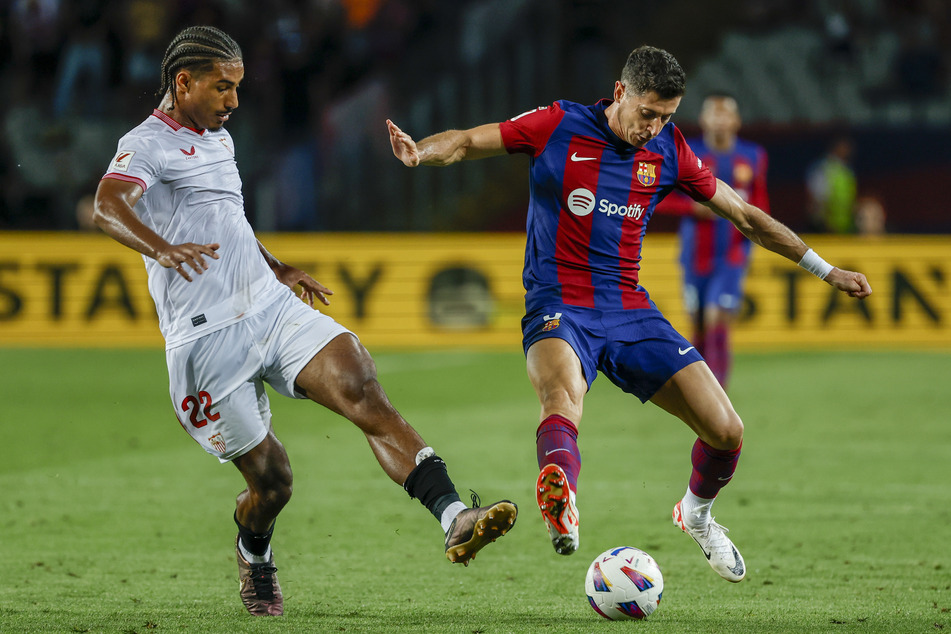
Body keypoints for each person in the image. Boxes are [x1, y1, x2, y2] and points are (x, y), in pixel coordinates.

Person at [387, 45, 871, 584]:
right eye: (648, 113)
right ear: (621, 93)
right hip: (558, 303)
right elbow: (467, 143)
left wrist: (827, 270)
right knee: (561, 394)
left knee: (727, 432)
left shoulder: (670, 150)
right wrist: (421, 153)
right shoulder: (558, 124)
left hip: (629, 308)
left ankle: (696, 514)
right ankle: (562, 498)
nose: (655, 127)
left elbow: (747, 217)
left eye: (667, 116)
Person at [93, 26, 517, 617]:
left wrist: (276, 264)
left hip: (267, 306)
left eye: (238, 87)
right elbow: (107, 205)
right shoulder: (146, 145)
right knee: (274, 482)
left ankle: (454, 516)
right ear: (183, 81)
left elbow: (227, 220)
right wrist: (160, 248)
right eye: (223, 87)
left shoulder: (218, 139)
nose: (234, 101)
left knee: (361, 387)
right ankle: (254, 549)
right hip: (205, 340)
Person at [657, 92, 768, 389]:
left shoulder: (754, 156)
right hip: (695, 255)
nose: (719, 119)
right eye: (713, 113)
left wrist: (757, 239)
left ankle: (720, 395)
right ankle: (702, 396)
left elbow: (760, 204)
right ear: (703, 119)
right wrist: (690, 207)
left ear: (736, 120)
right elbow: (659, 197)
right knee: (698, 327)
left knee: (717, 319)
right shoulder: (685, 153)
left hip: (732, 255)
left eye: (725, 113)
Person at [806, 136, 857, 234]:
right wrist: (823, 219)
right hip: (826, 224)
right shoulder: (824, 168)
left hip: (845, 223)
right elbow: (818, 197)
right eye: (844, 147)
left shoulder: (846, 169)